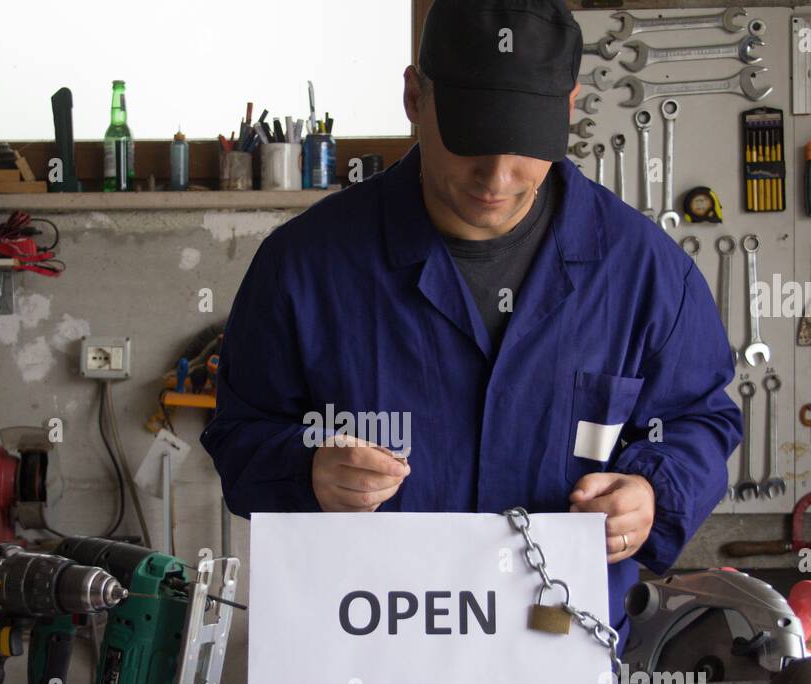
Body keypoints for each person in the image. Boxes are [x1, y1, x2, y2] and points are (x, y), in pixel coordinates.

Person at [202, 0, 742, 634]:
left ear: (566, 109)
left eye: (523, 144)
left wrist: (652, 493)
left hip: (563, 660)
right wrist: (308, 471)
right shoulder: (305, 268)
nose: (497, 176)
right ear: (415, 97)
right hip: (362, 667)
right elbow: (240, 439)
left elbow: (698, 420)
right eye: (472, 139)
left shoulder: (645, 275)